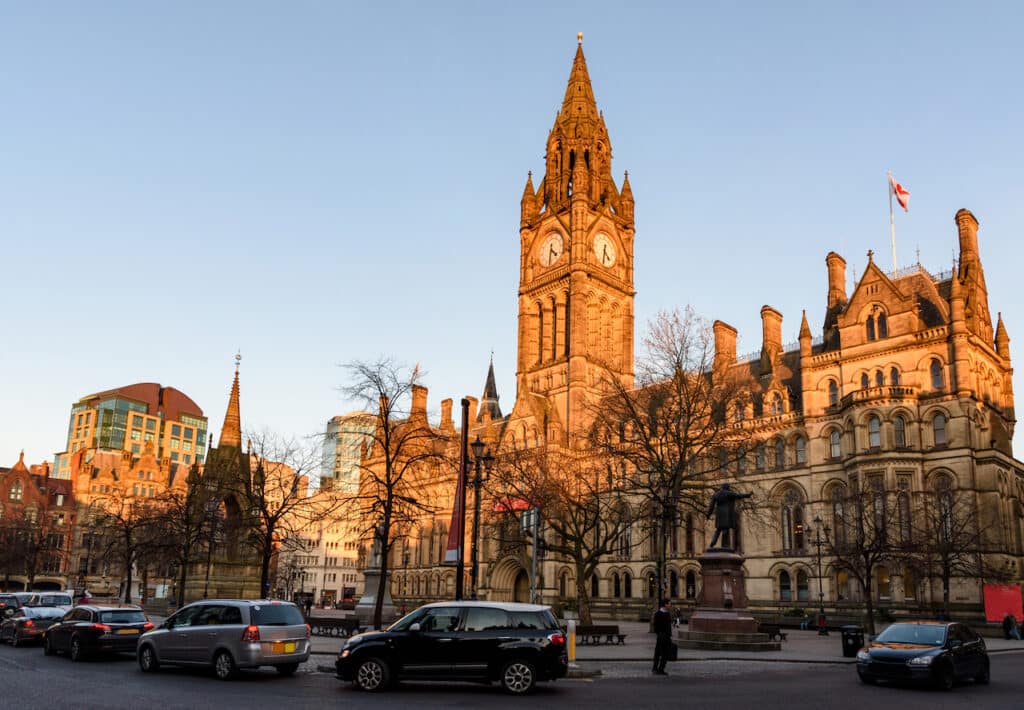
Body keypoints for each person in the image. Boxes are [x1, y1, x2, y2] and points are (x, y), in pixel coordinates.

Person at [652, 598, 673, 675]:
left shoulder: (667, 613)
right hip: (661, 636)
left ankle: (660, 668)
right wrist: (659, 634)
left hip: (666, 636)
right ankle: (656, 668)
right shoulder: (658, 613)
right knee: (659, 653)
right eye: (670, 604)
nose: (671, 605)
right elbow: (656, 626)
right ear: (665, 604)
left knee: (664, 653)